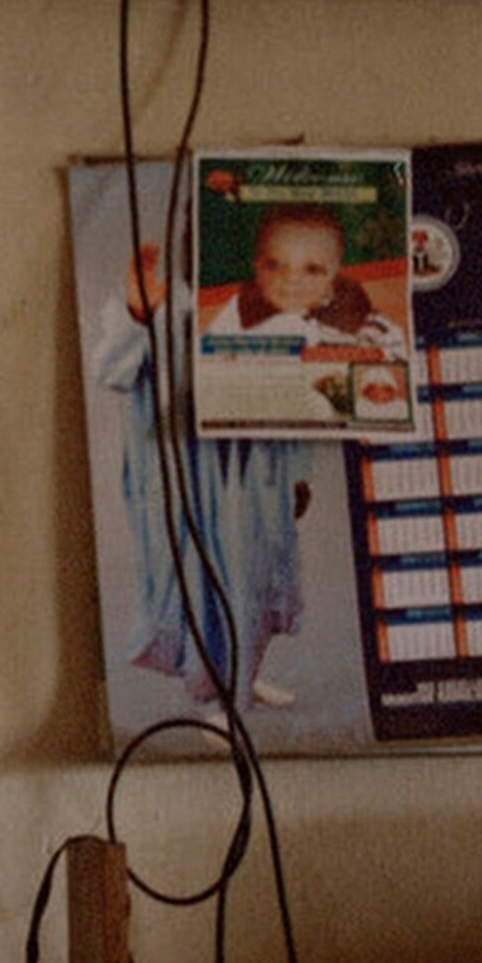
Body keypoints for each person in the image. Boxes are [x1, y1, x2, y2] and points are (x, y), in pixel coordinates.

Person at [94, 239, 317, 712]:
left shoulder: (268, 306)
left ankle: (243, 677)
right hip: (189, 479)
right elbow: (112, 370)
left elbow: (297, 394)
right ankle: (219, 702)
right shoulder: (165, 304)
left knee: (258, 574)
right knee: (204, 583)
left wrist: (297, 472)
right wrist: (137, 315)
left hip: (255, 473)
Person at [202, 203, 401, 350]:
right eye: (275, 266)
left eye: (312, 269)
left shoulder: (358, 317)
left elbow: (392, 356)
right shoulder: (240, 310)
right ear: (257, 268)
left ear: (335, 271)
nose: (291, 279)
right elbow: (210, 351)